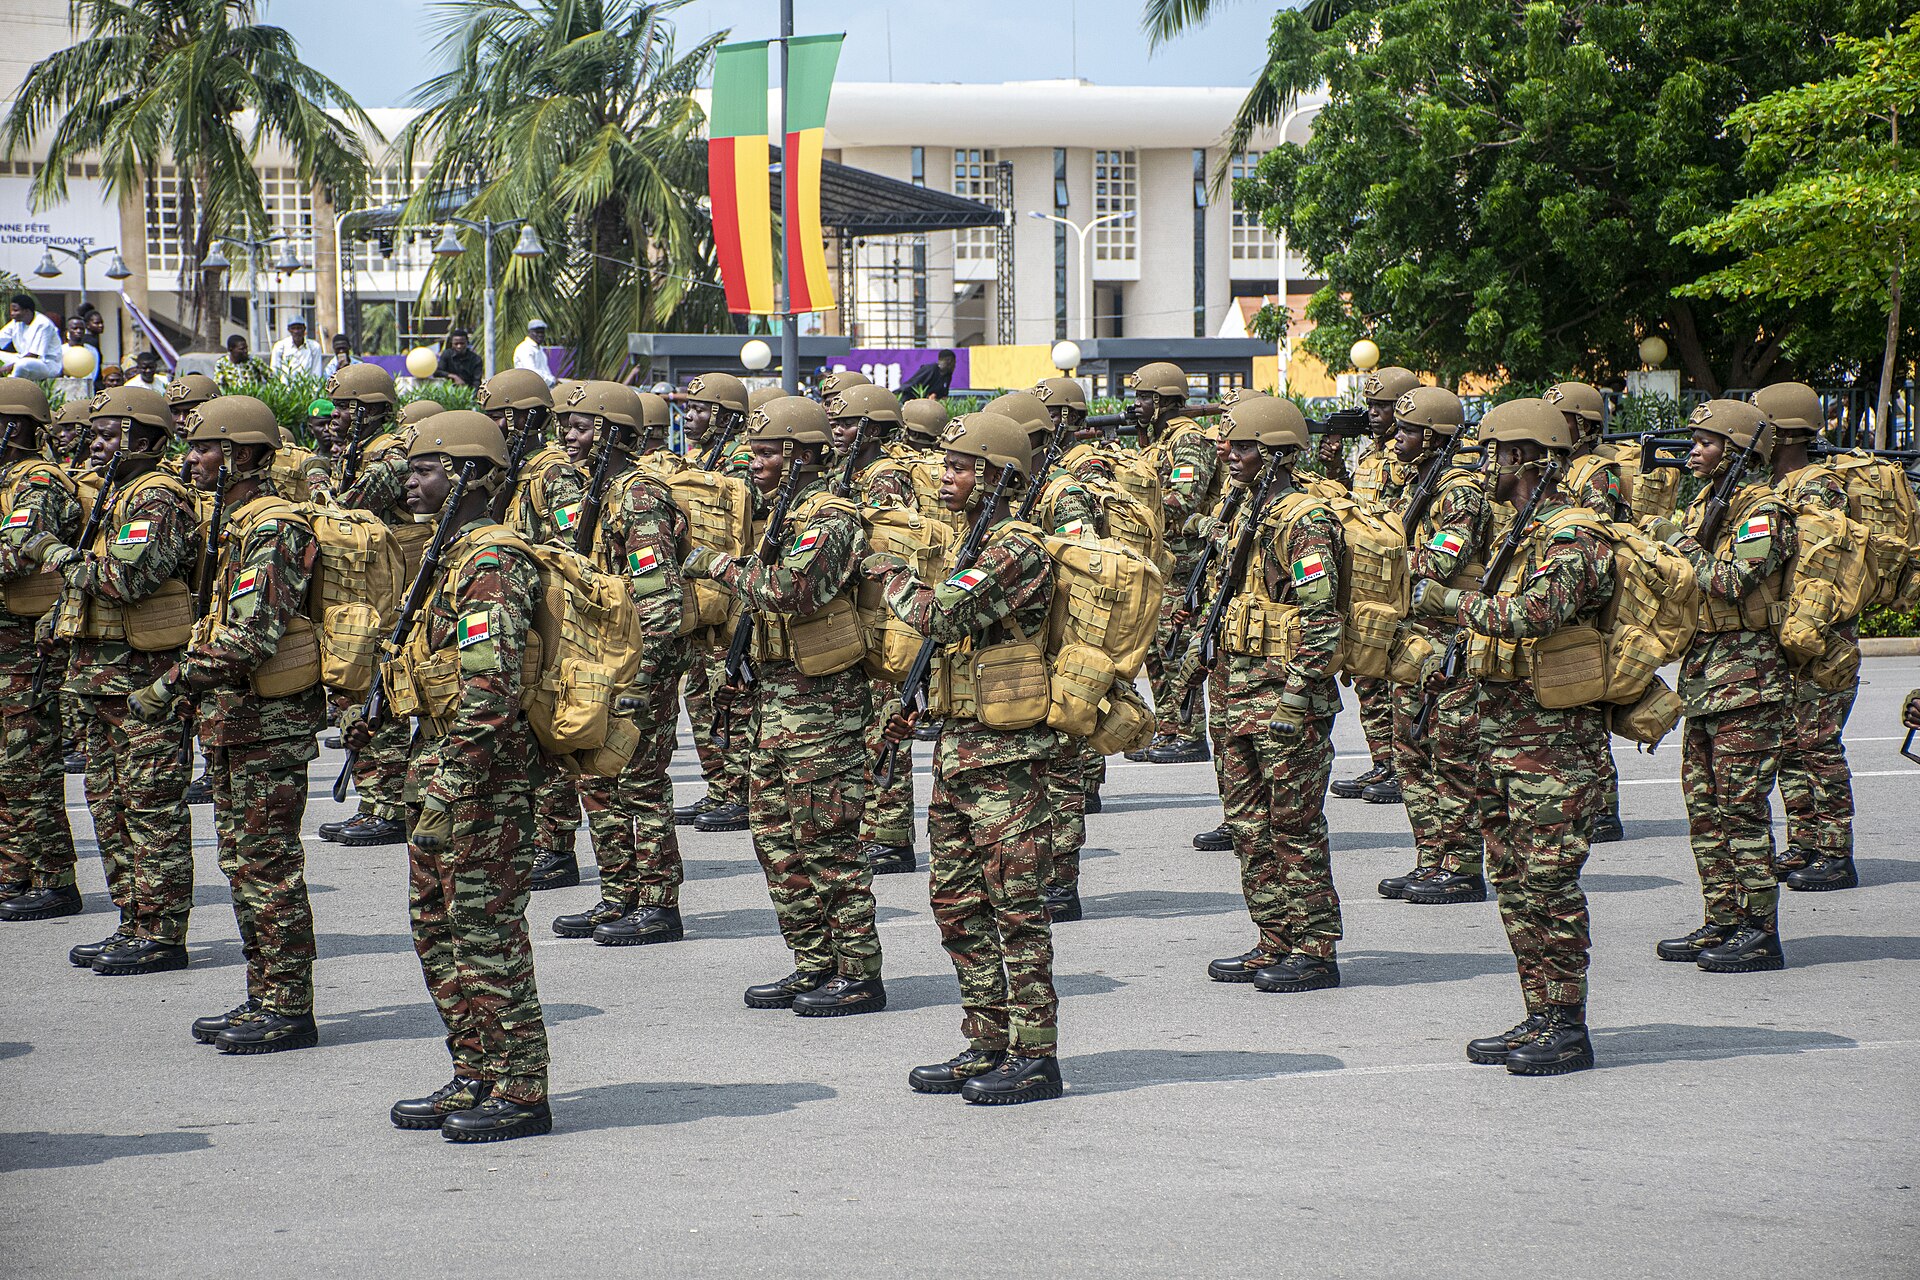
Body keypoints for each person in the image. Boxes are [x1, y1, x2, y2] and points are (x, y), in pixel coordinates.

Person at [343, 410, 554, 1142]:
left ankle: (521, 1087)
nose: (411, 478)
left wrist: (451, 786)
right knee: (437, 930)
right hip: (438, 766)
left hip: (480, 784)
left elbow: (491, 696)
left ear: (474, 477)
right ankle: (475, 1071)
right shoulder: (449, 553)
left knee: (486, 933)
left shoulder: (492, 560)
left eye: (428, 467)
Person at [864, 410, 1064, 1104]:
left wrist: (888, 574)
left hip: (1006, 760)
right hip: (960, 751)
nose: (943, 477)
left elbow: (941, 615)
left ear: (996, 474)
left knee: (1015, 908)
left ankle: (1035, 1054)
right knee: (958, 904)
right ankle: (986, 1040)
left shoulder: (1015, 548)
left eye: (956, 467)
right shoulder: (974, 544)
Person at [1411, 396, 1614, 1076]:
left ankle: (1568, 1023)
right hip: (1506, 733)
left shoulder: (1575, 534)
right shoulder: (1519, 532)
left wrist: (1450, 603)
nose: (1487, 466)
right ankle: (1539, 1011)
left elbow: (1537, 612)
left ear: (1525, 456)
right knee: (1514, 877)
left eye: (1496, 453)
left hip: (1555, 745)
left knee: (1550, 881)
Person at [131, 394, 325, 1053]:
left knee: (269, 865)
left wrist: (170, 684)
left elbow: (250, 638)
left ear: (241, 453)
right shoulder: (236, 522)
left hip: (266, 726)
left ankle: (288, 1006)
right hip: (235, 723)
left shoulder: (273, 527)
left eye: (204, 447)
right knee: (244, 863)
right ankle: (262, 994)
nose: (190, 459)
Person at [684, 395, 889, 1015]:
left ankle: (858, 971)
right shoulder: (784, 514)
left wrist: (714, 563)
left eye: (768, 452)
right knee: (776, 837)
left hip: (822, 707)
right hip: (779, 701)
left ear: (801, 453)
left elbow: (791, 590)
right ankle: (812, 961)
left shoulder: (830, 519)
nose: (756, 462)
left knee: (826, 840)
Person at [1189, 394, 1347, 994]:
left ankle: (1314, 946)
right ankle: (1274, 936)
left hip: (1284, 696)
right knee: (1249, 825)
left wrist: (1299, 695)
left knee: (1294, 825)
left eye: (1243, 446)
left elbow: (1321, 618)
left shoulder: (1303, 520)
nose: (1228, 454)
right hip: (1234, 692)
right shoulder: (1244, 509)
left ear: (1278, 452)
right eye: (1228, 444)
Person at [42, 385, 199, 974]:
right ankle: (132, 919)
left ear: (148, 440)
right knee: (109, 807)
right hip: (101, 679)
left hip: (142, 685)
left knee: (151, 807)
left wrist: (56, 555)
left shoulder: (157, 499)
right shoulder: (118, 494)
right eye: (97, 433)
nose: (96, 443)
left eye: (110, 434)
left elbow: (126, 580)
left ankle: (161, 932)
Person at [1649, 399, 1796, 973]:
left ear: (1737, 449)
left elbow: (1734, 580)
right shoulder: (1705, 506)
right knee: (1704, 808)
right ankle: (1723, 916)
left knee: (1741, 807)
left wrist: (1680, 547)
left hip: (1749, 680)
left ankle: (1760, 930)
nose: (1693, 451)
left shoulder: (1763, 513)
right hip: (1706, 677)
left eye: (1706, 442)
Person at [555, 384, 695, 947]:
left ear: (614, 432)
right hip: (597, 660)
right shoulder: (596, 492)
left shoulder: (638, 497)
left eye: (582, 426)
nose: (568, 435)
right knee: (597, 779)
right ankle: (619, 894)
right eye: (568, 425)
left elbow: (658, 597)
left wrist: (643, 676)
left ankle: (658, 905)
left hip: (638, 663)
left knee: (639, 780)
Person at [475, 369, 586, 891]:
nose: (492, 424)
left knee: (549, 730)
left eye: (499, 416)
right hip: (523, 618)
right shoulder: (517, 471)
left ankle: (557, 845)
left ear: (526, 418)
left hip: (552, 620)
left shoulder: (553, 472)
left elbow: (572, 552)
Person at [1381, 386, 1493, 905]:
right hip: (1414, 638)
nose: (1395, 437)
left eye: (1405, 430)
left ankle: (1463, 864)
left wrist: (1380, 565)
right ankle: (1432, 857)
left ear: (1431, 436)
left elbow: (1441, 562)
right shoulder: (1417, 485)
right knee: (1410, 749)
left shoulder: (1459, 493)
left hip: (1449, 639)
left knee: (1449, 752)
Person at [1758, 381, 1859, 892]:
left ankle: (1836, 851)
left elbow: (1821, 570)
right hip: (1790, 635)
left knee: (1819, 745)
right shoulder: (1776, 487)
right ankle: (1805, 841)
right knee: (1791, 745)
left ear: (1783, 432)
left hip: (1822, 639)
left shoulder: (1817, 487)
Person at [825, 382, 921, 877]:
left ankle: (891, 835)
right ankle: (878, 828)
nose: (836, 430)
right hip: (870, 613)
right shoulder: (856, 472)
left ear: (872, 428)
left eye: (845, 423)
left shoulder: (883, 478)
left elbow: (892, 547)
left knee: (887, 727)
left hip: (888, 616)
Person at [315, 363, 412, 848]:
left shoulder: (390, 458)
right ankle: (376, 799)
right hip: (361, 590)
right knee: (357, 690)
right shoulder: (358, 452)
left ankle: (388, 803)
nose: (334, 418)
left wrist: (319, 488)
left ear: (371, 410)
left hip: (385, 593)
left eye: (344, 408)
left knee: (378, 692)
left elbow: (342, 508)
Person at [0, 378, 84, 923]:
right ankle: (14, 871)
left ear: (15, 427)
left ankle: (53, 878)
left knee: (25, 764)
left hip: (27, 646)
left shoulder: (39, 484)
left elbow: (16, 554)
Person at [1328, 365, 1421, 804]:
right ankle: (1383, 761)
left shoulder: (1409, 461)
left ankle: (1403, 766)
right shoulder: (1369, 456)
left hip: (1396, 577)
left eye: (1383, 406)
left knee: (1394, 678)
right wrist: (1333, 467)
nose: (1375, 414)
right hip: (1367, 575)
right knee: (1366, 672)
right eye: (1372, 406)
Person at [1129, 361, 1222, 766]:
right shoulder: (1156, 442)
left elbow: (1183, 498)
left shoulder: (1188, 441)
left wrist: (1133, 514)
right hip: (1160, 562)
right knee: (1155, 653)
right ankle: (1168, 729)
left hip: (1185, 564)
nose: (1135, 405)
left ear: (1162, 399)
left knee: (1178, 650)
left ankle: (1190, 733)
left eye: (1142, 398)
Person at [1547, 380, 1628, 845]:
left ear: (1584, 425)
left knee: (1590, 704)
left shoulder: (1598, 473)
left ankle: (1604, 806)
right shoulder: (1559, 468)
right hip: (1567, 587)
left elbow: (1599, 527)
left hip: (1591, 588)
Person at [675, 371, 754, 833]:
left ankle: (740, 790)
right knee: (700, 692)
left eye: (700, 408)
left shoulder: (741, 459)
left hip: (733, 592)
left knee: (730, 692)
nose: (690, 415)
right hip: (708, 592)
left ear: (724, 414)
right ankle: (721, 784)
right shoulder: (706, 456)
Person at [0, 294, 63, 382]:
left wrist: (6, 368)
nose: (12, 313)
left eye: (15, 310)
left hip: (47, 364)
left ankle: (11, 387)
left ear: (26, 311)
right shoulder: (16, 323)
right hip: (22, 358)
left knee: (22, 365)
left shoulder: (43, 324)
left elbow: (33, 355)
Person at [270, 316, 328, 381]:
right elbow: (275, 371)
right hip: (286, 389)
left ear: (304, 329)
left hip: (306, 388)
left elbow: (316, 373)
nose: (296, 331)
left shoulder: (314, 347)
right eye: (293, 328)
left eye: (299, 328)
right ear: (289, 330)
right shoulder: (280, 346)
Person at [512, 319, 556, 387]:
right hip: (528, 389)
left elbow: (545, 370)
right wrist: (551, 382)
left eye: (542, 332)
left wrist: (554, 380)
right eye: (537, 332)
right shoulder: (525, 348)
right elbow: (532, 373)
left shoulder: (539, 349)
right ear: (530, 332)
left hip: (543, 387)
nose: (540, 335)